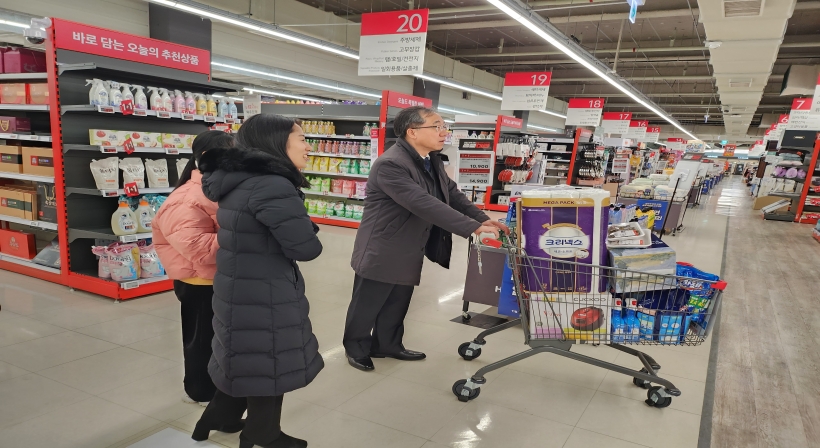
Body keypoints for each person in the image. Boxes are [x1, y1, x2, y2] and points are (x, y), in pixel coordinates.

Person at [193, 114, 323, 448]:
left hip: (239, 282)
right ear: (277, 142)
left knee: (243, 353)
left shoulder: (238, 178)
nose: (308, 146)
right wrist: (309, 227)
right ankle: (262, 433)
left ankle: (219, 416)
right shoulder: (273, 185)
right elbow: (305, 248)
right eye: (301, 138)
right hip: (264, 288)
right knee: (270, 359)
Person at [344, 106, 508, 372]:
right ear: (413, 132)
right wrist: (471, 228)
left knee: (398, 299)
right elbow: (423, 203)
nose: (444, 132)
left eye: (444, 126)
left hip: (409, 244)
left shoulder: (430, 159)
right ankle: (356, 348)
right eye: (437, 126)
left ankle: (387, 344)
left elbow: (450, 193)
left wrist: (480, 218)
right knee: (368, 302)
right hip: (383, 246)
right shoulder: (391, 164)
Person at [153, 130, 235, 407]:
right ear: (205, 158)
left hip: (219, 278)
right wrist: (244, 235)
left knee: (219, 338)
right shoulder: (187, 198)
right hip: (199, 281)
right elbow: (197, 248)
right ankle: (199, 391)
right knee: (201, 340)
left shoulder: (218, 191)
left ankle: (217, 385)